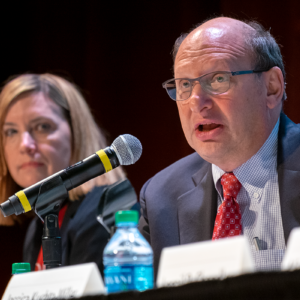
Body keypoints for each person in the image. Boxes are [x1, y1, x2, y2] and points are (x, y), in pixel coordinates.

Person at [138, 17, 300, 275]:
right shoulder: (161, 197)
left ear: (271, 88)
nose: (197, 102)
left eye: (218, 79)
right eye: (184, 85)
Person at [0, 73, 130, 282]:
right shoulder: (41, 221)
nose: (25, 144)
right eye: (11, 131)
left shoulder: (107, 208)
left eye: (42, 127)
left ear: (76, 132)